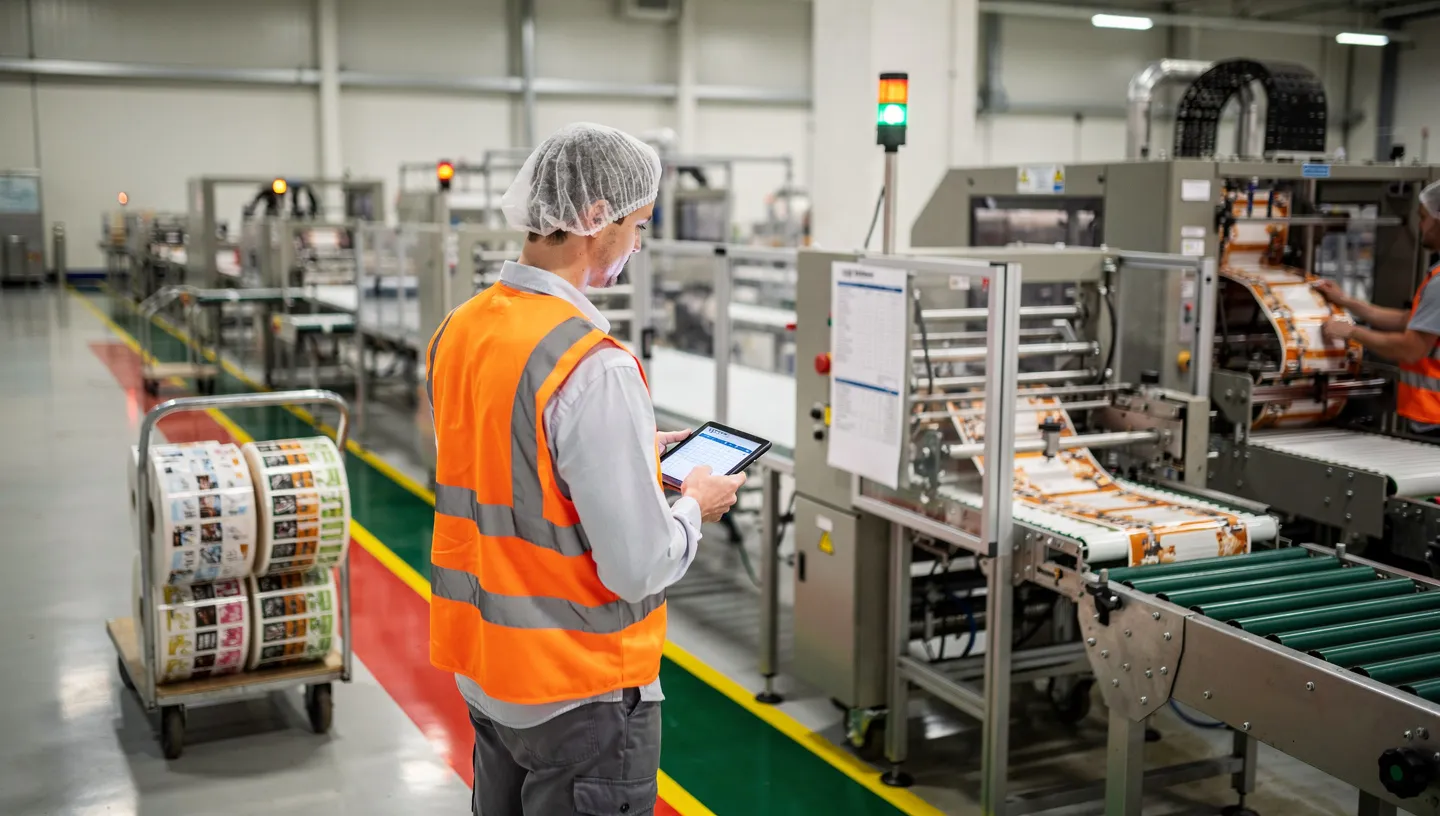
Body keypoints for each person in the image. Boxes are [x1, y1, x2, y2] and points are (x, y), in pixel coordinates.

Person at [425, 122, 747, 815]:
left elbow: (508, 459)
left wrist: (629, 448)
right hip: (577, 690)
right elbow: (637, 566)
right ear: (595, 218)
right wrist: (695, 502)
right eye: (638, 225)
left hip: (488, 672)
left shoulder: (462, 328)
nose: (637, 244)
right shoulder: (592, 365)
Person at [1319, 179, 1440, 432]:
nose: (1419, 226)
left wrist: (1352, 332)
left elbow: (1411, 349)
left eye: (1423, 218)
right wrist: (1347, 302)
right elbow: (1409, 320)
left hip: (1435, 417)